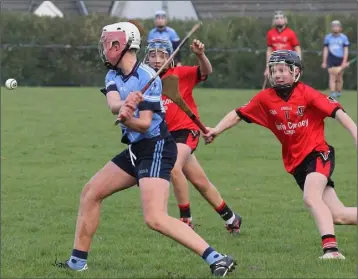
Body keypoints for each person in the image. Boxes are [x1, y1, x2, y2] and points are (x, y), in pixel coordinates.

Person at [55, 22, 236, 277]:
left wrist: (129, 117)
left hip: (156, 147)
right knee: (91, 192)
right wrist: (124, 106)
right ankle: (77, 262)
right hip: (135, 149)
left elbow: (144, 125)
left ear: (124, 45)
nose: (106, 48)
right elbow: (112, 103)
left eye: (110, 43)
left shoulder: (148, 78)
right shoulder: (113, 75)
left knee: (155, 218)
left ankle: (217, 258)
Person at [203, 50, 357, 260]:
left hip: (318, 154)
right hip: (296, 164)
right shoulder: (265, 98)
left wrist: (355, 134)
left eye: (283, 70)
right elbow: (237, 114)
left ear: (296, 73)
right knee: (338, 214)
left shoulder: (307, 93)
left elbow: (338, 112)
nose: (277, 74)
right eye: (274, 70)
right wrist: (216, 130)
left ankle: (331, 250)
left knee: (311, 198)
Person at [144, 38, 242, 232]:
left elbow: (206, 71)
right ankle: (231, 218)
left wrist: (200, 55)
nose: (157, 59)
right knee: (200, 182)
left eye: (162, 55)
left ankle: (186, 219)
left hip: (186, 131)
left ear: (170, 57)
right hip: (166, 135)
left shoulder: (180, 74)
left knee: (173, 167)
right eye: (153, 55)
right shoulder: (145, 81)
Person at [264, 11, 301, 78]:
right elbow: (269, 51)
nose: (279, 20)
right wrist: (267, 67)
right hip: (275, 62)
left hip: (288, 62)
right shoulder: (270, 33)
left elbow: (297, 49)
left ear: (285, 20)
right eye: (277, 18)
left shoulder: (290, 33)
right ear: (274, 21)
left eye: (281, 18)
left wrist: (298, 63)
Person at [321, 20, 350, 99]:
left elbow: (346, 50)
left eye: (337, 26)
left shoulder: (344, 38)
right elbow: (326, 50)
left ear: (340, 28)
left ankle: (339, 91)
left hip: (340, 59)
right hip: (331, 59)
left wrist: (344, 61)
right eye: (333, 26)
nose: (335, 28)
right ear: (331, 28)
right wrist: (324, 61)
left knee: (339, 77)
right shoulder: (328, 37)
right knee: (332, 76)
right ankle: (332, 92)